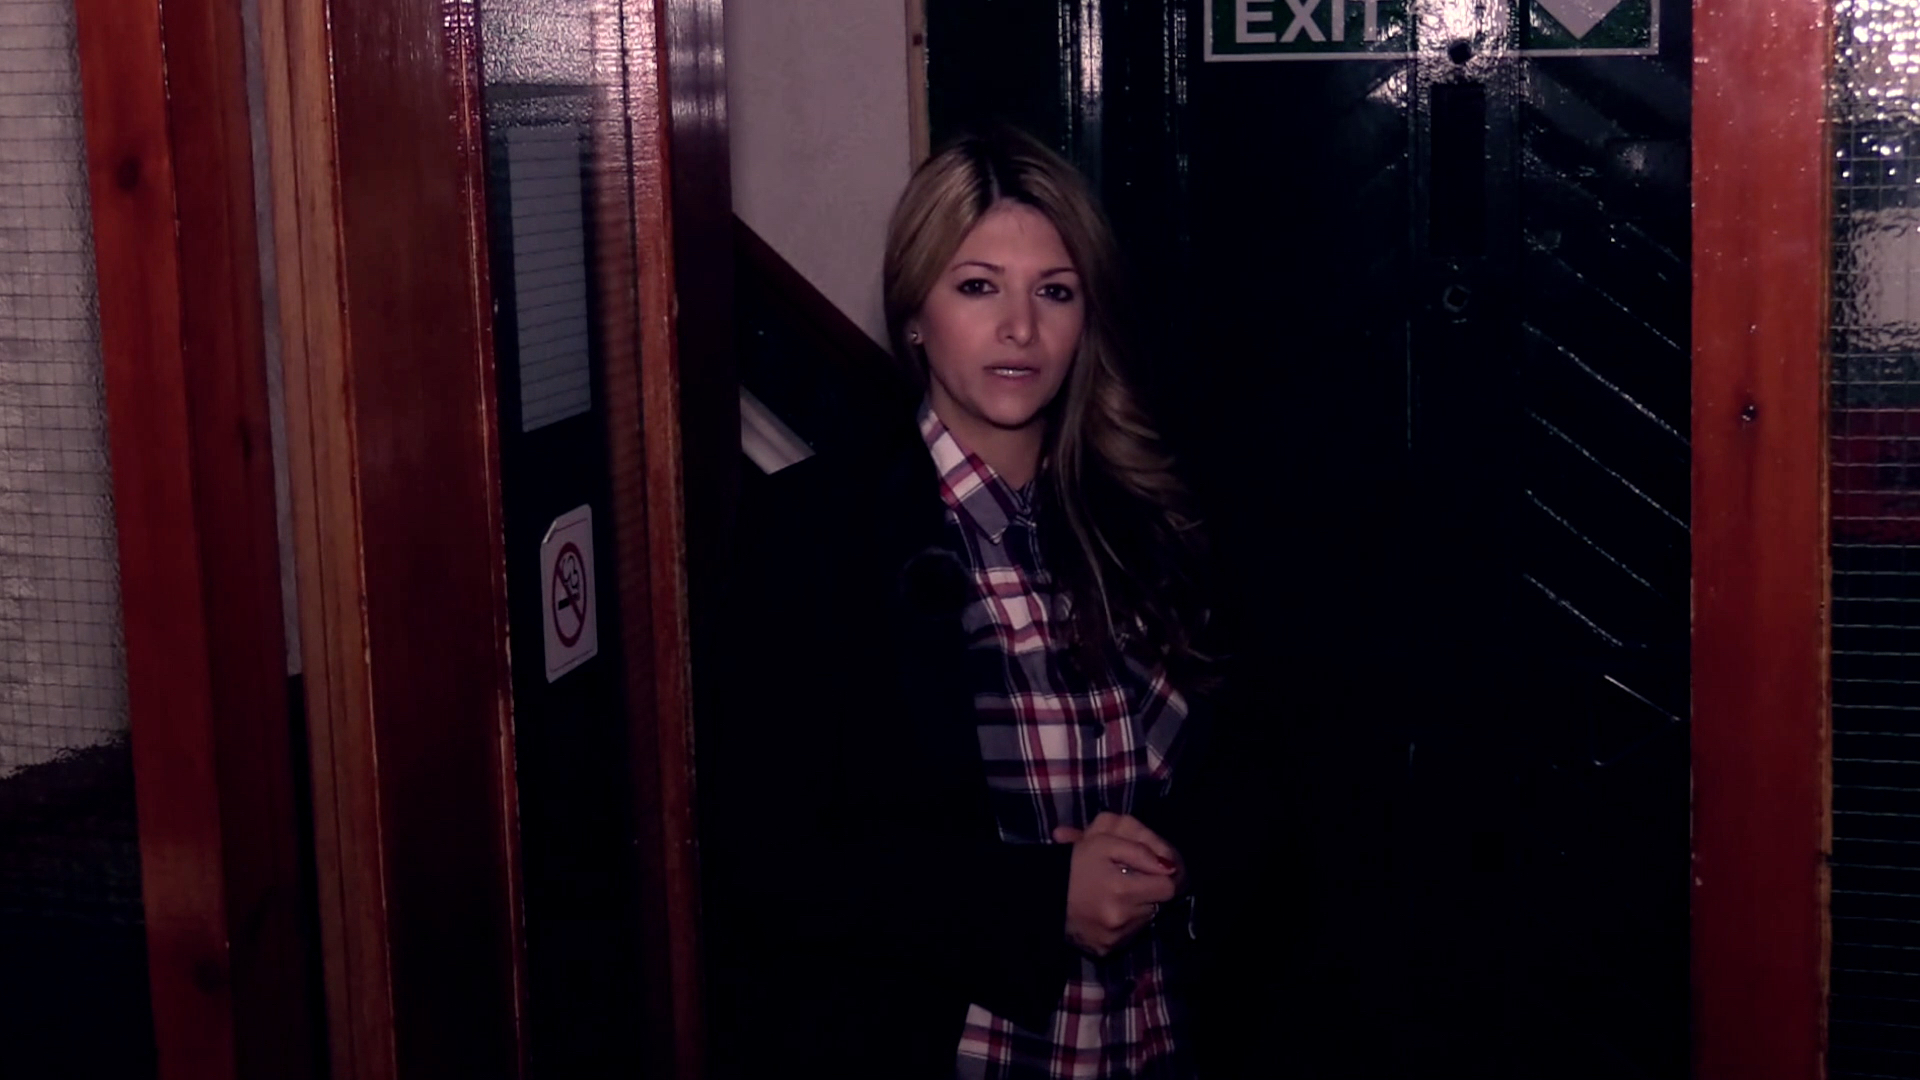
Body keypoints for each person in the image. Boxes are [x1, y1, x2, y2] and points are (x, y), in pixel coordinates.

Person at [705, 127, 1219, 1079]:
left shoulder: (1149, 517)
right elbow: (769, 859)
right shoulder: (815, 531)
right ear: (915, 313)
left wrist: (1176, 863)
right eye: (978, 286)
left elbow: (1247, 779)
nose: (1020, 328)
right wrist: (1038, 897)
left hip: (1150, 1042)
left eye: (1054, 292)